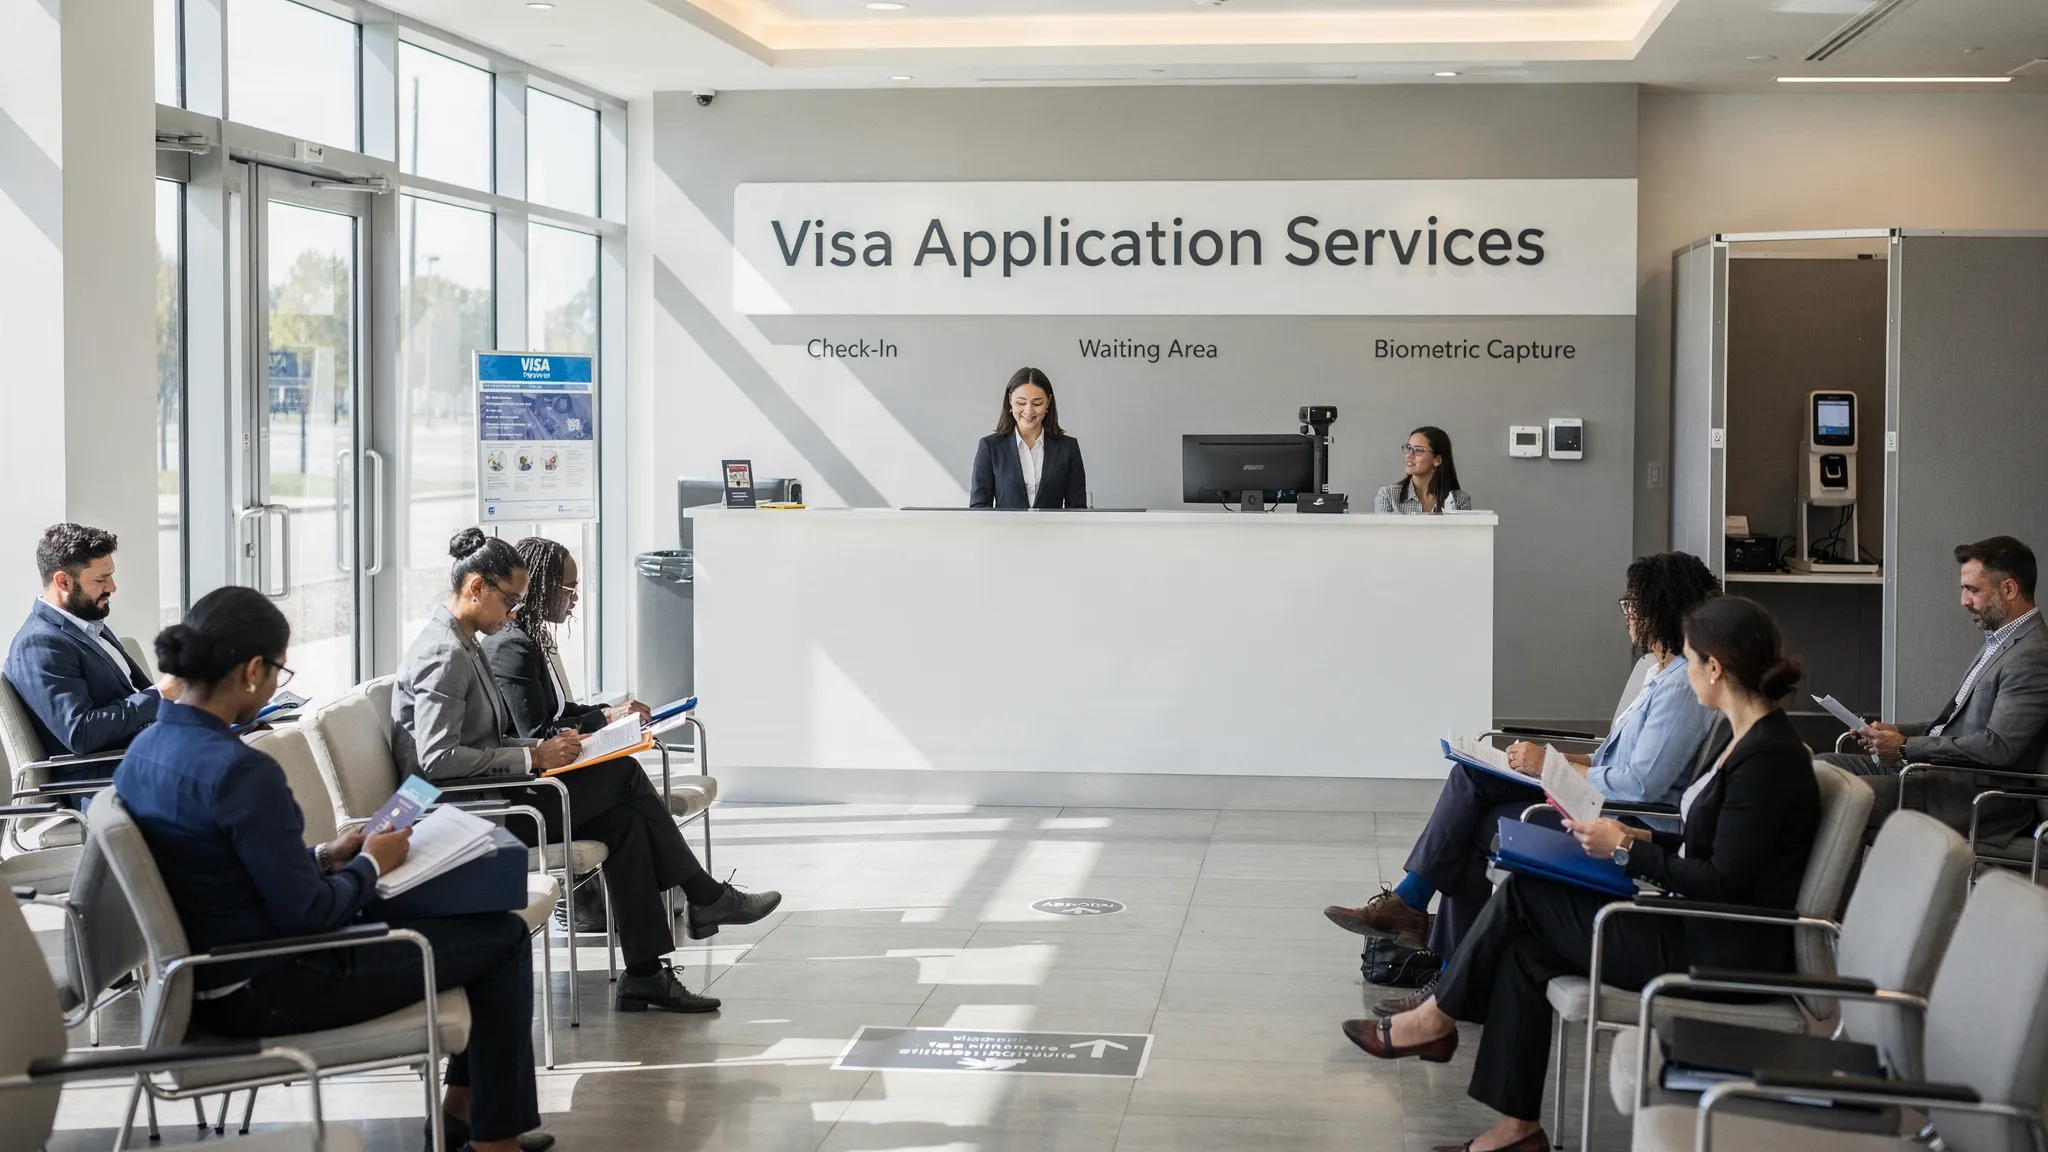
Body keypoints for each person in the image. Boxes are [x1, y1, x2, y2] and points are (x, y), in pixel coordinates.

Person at [1343, 596, 1822, 1152]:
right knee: (1526, 954)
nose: (1684, 672)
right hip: (1694, 925)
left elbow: (1725, 883)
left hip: (1717, 950)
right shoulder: (1749, 741)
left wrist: (1628, 849)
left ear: (1716, 668)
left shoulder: (1768, 758)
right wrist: (1646, 838)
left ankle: (1435, 1020)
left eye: (1690, 660)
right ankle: (1514, 1131)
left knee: (1526, 894)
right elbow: (1713, 846)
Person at [114, 586, 546, 1152]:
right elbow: (311, 912)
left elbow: (220, 867)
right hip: (272, 981)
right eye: (278, 673)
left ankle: (469, 1116)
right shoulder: (242, 772)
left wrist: (325, 856)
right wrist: (370, 862)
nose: (275, 685)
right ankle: (490, 1139)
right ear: (250, 671)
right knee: (506, 936)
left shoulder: (144, 752)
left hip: (212, 975)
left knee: (481, 931)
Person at [394, 528, 779, 1013]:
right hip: (471, 815)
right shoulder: (443, 654)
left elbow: (485, 740)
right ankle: (703, 895)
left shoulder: (465, 643)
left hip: (493, 795)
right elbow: (438, 761)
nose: (514, 610)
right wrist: (533, 757)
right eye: (509, 598)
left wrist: (540, 747)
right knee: (624, 778)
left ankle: (645, 974)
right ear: (476, 587)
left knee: (626, 822)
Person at [1326, 552, 1723, 1015]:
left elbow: (1639, 784)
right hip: (1600, 798)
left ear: (1661, 605)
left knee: (1479, 819)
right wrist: (1551, 759)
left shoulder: (1681, 686)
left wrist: (1544, 767)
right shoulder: (1658, 674)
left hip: (1621, 821)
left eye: (1633, 602)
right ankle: (1436, 948)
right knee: (1472, 778)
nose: (1627, 613)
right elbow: (1614, 757)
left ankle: (1431, 941)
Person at [1818, 535, 2048, 844]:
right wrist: (1894, 732)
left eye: (1973, 590)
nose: (1963, 601)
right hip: (1933, 773)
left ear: (2009, 589)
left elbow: (1997, 747)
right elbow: (1953, 726)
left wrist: (1903, 747)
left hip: (1969, 797)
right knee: (1819, 769)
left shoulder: (2033, 655)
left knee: (1830, 796)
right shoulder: (2000, 641)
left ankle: (1832, 890)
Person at [5, 523, 181, 784]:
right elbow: (81, 733)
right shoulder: (39, 644)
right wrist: (160, 694)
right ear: (63, 581)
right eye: (100, 580)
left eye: (110, 576)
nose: (112, 587)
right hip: (108, 780)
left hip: (150, 755)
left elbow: (137, 698)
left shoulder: (87, 624)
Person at [968, 367, 1087, 509]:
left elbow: (1077, 509)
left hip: (1054, 531)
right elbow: (979, 506)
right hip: (1005, 531)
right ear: (1010, 399)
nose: (1029, 410)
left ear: (1048, 402)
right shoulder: (990, 447)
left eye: (1037, 403)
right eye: (1021, 403)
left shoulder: (1068, 447)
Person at [1372, 427, 1472, 514]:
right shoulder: (1388, 495)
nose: (1409, 455)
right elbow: (1383, 535)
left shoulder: (1459, 500)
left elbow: (1461, 535)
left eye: (1418, 450)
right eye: (1408, 448)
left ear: (1437, 460)